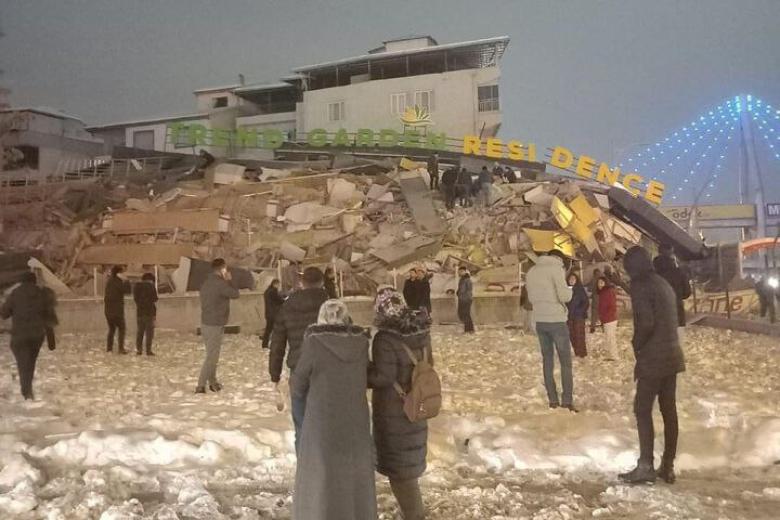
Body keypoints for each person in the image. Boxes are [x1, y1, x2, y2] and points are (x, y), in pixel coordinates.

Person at [291, 299, 376, 520]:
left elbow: (298, 383)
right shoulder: (360, 343)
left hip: (322, 418)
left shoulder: (314, 343)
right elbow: (367, 375)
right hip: (355, 418)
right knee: (354, 471)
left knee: (321, 473)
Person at [619, 246, 685, 484]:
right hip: (672, 355)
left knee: (642, 409)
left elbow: (645, 323)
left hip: (653, 358)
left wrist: (636, 345)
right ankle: (667, 466)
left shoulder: (640, 285)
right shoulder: (661, 282)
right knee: (669, 411)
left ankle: (645, 465)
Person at [369, 288, 433, 520]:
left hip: (393, 412)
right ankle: (411, 511)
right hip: (416, 407)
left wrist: (362, 371)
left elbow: (383, 377)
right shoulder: (421, 333)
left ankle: (414, 515)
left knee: (400, 473)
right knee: (407, 468)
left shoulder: (385, 338)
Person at [269, 266, 328, 453]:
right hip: (328, 370)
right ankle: (327, 468)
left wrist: (275, 374)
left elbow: (277, 343)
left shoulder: (288, 305)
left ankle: (305, 468)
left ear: (302, 283)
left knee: (302, 423)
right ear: (322, 282)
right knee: (327, 422)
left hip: (299, 369)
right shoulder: (331, 304)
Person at [526, 250, 575, 411]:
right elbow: (564, 296)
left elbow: (531, 298)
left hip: (540, 320)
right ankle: (566, 401)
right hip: (557, 321)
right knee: (565, 363)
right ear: (558, 258)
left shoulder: (531, 271)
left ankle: (552, 400)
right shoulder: (556, 270)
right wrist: (570, 289)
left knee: (547, 361)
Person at [1, 271, 57, 400]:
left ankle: (26, 391)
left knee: (23, 363)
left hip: (19, 334)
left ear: (21, 281)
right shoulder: (42, 294)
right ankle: (28, 389)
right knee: (30, 361)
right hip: (37, 335)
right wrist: (51, 339)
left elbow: (4, 313)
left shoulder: (15, 294)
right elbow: (49, 316)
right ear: (34, 281)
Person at [197, 258, 240, 394]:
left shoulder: (206, 282)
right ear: (222, 269)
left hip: (207, 322)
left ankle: (213, 382)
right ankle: (200, 385)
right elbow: (235, 294)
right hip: (215, 323)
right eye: (225, 268)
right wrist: (229, 280)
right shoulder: (220, 284)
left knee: (212, 354)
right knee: (212, 356)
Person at [653, 246, 692, 343]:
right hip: (677, 312)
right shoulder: (680, 272)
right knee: (678, 344)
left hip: (659, 314)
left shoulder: (653, 274)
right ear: (672, 254)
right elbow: (687, 293)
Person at [104, 265, 130, 354]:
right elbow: (127, 291)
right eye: (122, 272)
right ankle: (120, 348)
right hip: (117, 310)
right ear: (119, 273)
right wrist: (126, 281)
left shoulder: (109, 282)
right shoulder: (118, 282)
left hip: (108, 310)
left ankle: (109, 348)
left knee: (111, 329)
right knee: (122, 328)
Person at [133, 272, 158, 356]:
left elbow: (135, 298)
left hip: (140, 312)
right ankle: (148, 350)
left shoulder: (137, 286)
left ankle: (139, 350)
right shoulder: (151, 286)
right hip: (149, 312)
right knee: (149, 333)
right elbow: (155, 298)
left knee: (140, 331)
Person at [566, 273, 589, 358]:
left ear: (576, 280)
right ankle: (577, 351)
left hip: (578, 317)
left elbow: (586, 302)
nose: (572, 280)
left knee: (579, 335)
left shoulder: (580, 289)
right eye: (570, 279)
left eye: (573, 279)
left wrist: (580, 311)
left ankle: (582, 353)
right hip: (569, 317)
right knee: (571, 335)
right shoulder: (565, 290)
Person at [597, 277, 619, 360]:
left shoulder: (608, 292)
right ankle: (610, 355)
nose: (599, 284)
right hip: (607, 319)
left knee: (610, 338)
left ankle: (614, 356)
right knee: (608, 337)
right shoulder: (602, 292)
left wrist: (606, 315)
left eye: (602, 282)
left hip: (610, 319)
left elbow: (612, 306)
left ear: (606, 283)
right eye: (598, 283)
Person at [262, 279, 284, 349]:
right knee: (276, 330)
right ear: (275, 284)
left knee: (268, 329)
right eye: (278, 284)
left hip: (268, 313)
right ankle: (274, 344)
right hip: (274, 314)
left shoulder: (267, 291)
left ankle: (264, 344)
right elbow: (279, 301)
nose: (278, 286)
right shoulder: (273, 292)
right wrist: (285, 300)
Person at [456, 266, 474, 333]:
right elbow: (460, 289)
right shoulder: (462, 279)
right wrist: (458, 292)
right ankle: (469, 329)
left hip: (466, 299)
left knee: (465, 314)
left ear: (464, 271)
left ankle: (469, 329)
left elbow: (468, 290)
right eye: (459, 271)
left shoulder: (467, 280)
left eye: (461, 271)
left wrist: (464, 296)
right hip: (462, 299)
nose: (459, 273)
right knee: (462, 314)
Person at [589, 268, 602, 333]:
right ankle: (603, 326)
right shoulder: (602, 279)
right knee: (602, 312)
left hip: (595, 298)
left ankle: (592, 328)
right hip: (602, 298)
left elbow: (590, 289)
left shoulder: (593, 279)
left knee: (594, 314)